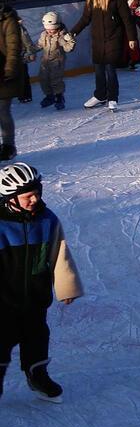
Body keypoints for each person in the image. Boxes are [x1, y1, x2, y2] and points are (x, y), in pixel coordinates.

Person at [0, 163, 80, 402]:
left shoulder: (47, 220)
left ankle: (38, 375)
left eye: (37, 193)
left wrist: (67, 286)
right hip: (3, 300)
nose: (34, 199)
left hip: (36, 296)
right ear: (9, 199)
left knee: (36, 337)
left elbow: (60, 254)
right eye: (27, 196)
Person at [65, 0, 130, 109]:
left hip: (113, 38)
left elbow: (126, 18)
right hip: (98, 39)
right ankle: (100, 95)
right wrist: (73, 32)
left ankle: (112, 98)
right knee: (99, 69)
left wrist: (132, 38)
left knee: (110, 69)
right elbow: (85, 19)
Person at [31, 17, 71, 111]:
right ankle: (49, 96)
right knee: (43, 79)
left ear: (57, 27)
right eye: (47, 29)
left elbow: (68, 48)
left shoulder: (61, 36)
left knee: (55, 80)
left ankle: (59, 97)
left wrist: (70, 41)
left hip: (57, 62)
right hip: (45, 62)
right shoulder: (44, 34)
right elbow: (39, 45)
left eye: (51, 29)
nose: (49, 31)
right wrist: (31, 50)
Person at [0, 5, 23, 163]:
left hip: (4, 75)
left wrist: (9, 70)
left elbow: (14, 47)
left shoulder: (8, 20)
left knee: (3, 111)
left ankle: (9, 146)